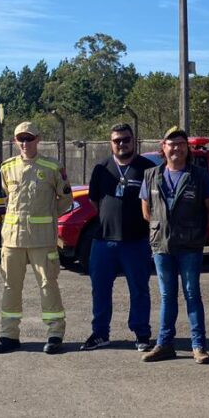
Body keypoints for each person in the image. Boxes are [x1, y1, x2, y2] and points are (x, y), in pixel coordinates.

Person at [0, 122, 73, 355]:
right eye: (21, 139)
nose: (25, 143)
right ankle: (9, 335)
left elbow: (65, 199)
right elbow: (8, 198)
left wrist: (47, 216)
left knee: (48, 285)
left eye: (29, 138)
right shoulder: (7, 167)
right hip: (12, 240)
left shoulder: (52, 167)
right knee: (10, 287)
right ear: (16, 141)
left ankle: (55, 333)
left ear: (38, 139)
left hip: (41, 239)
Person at [140, 126, 209, 364]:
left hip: (190, 246)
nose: (176, 148)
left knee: (192, 294)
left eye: (181, 144)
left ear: (187, 148)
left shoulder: (199, 175)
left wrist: (194, 231)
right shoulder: (151, 175)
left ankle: (198, 346)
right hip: (162, 245)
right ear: (163, 148)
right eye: (171, 143)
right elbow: (146, 212)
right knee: (167, 296)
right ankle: (165, 344)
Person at [81, 123, 157, 352]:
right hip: (104, 240)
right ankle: (100, 333)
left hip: (136, 241)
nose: (122, 144)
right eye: (117, 141)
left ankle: (142, 333)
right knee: (100, 289)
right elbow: (95, 200)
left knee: (139, 288)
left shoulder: (147, 168)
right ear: (110, 143)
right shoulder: (101, 168)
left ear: (134, 141)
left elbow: (153, 203)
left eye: (126, 139)